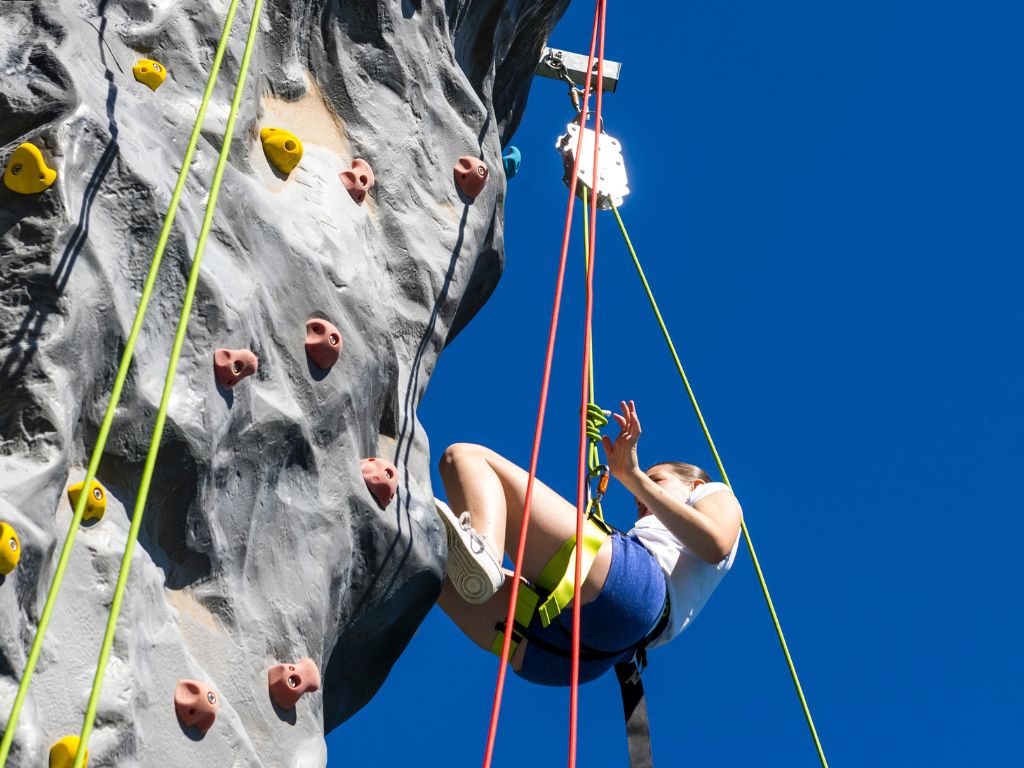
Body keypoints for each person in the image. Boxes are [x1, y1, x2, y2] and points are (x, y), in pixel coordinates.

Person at [434, 400, 744, 686]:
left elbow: (716, 544)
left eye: (657, 480)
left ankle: (483, 548)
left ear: (695, 485)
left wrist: (632, 475)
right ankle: (467, 558)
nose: (640, 499)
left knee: (464, 457)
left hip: (631, 595)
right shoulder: (659, 539)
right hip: (587, 653)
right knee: (427, 558)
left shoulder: (713, 493)